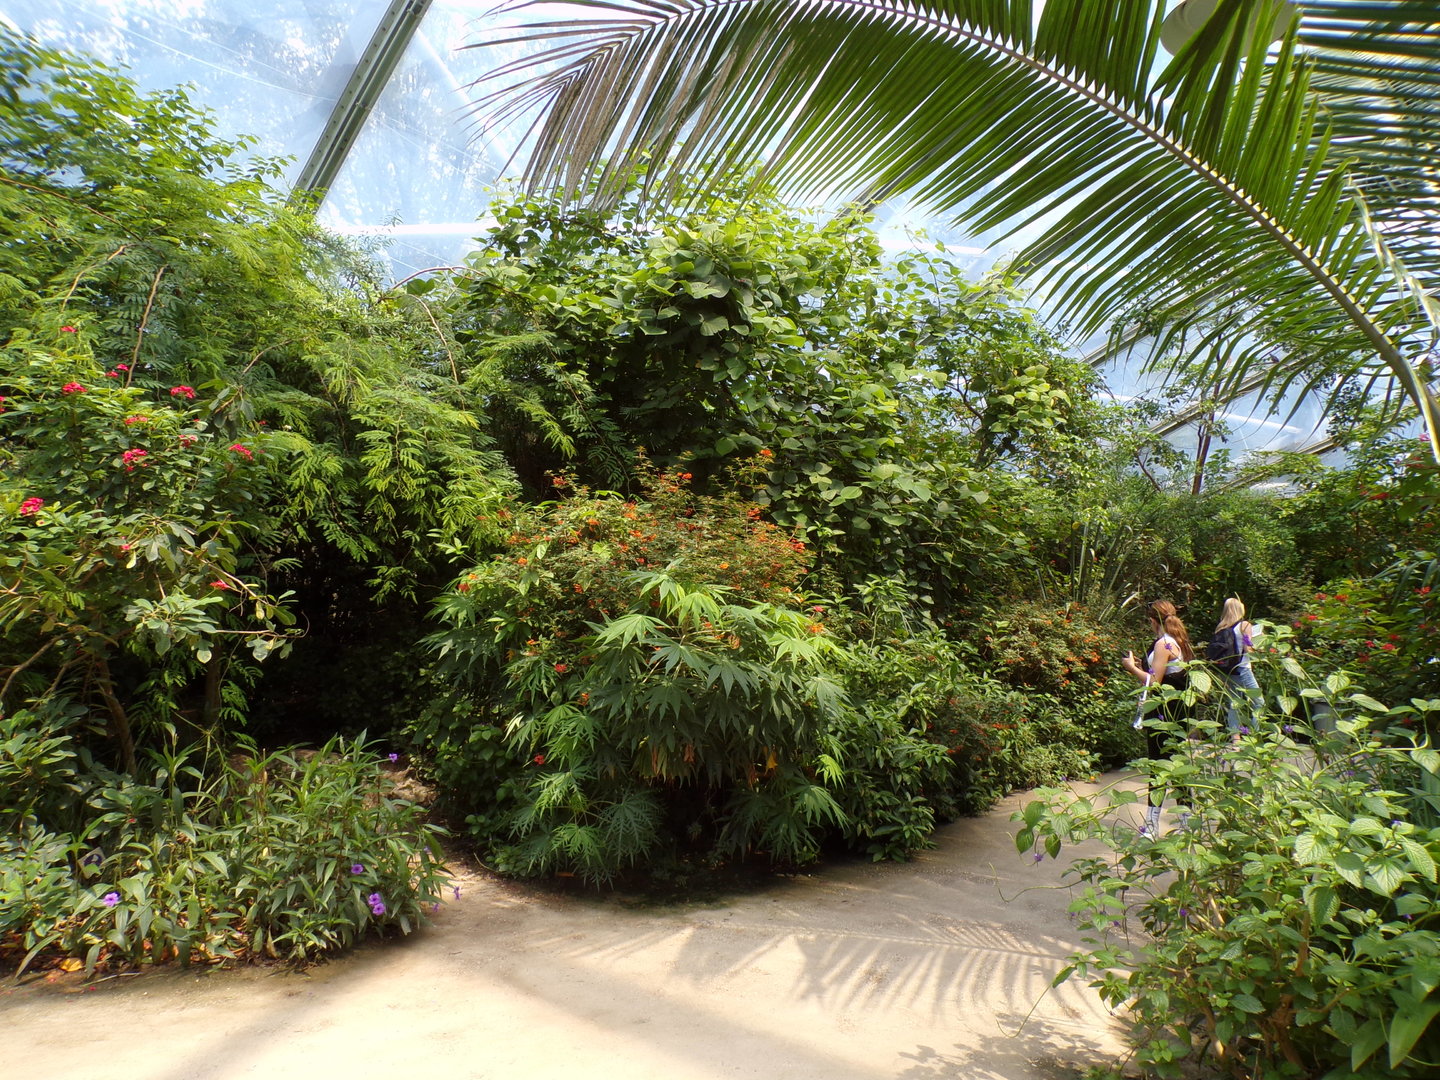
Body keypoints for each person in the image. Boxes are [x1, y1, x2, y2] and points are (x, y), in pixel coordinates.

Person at [1121, 599, 1194, 835]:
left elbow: (1154, 682)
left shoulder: (1163, 644)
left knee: (1159, 768)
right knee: (1174, 767)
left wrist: (1131, 668)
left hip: (1165, 712)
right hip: (1175, 710)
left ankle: (1152, 827)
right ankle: (1187, 823)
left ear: (1153, 621)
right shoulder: (1174, 640)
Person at [1214, 597, 1261, 732]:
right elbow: (1248, 649)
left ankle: (1236, 739)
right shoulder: (1245, 625)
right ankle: (1255, 735)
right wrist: (1260, 645)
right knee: (1259, 703)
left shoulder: (1221, 627)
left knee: (1234, 703)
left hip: (1227, 669)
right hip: (1243, 668)